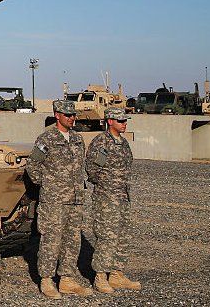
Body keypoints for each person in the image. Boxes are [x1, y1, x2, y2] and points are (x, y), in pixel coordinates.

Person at [26, 99, 92, 298]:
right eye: (67, 115)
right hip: (53, 201)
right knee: (51, 240)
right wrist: (48, 185)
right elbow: (32, 166)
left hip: (75, 199)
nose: (72, 118)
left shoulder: (77, 139)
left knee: (72, 240)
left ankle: (67, 279)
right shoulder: (46, 138)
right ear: (57, 115)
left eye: (73, 115)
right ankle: (46, 280)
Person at [87, 106, 141, 293]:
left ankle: (117, 274)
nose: (124, 124)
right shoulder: (102, 142)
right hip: (106, 198)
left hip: (123, 196)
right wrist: (107, 185)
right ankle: (100, 276)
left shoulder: (123, 143)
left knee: (122, 236)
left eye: (125, 121)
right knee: (106, 236)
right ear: (110, 121)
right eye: (120, 121)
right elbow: (93, 171)